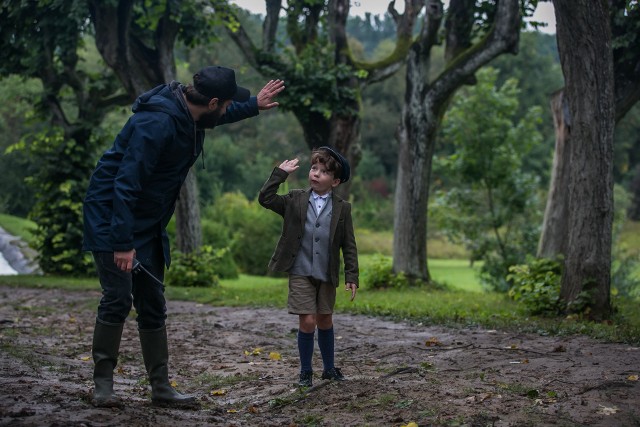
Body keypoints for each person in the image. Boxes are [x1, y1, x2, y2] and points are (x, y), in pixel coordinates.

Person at [82, 66, 285, 408]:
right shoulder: (157, 124)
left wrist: (253, 104)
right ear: (212, 101)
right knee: (118, 298)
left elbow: (217, 116)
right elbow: (125, 183)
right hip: (113, 215)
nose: (224, 111)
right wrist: (121, 242)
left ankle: (160, 387)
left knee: (153, 301)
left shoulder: (189, 112)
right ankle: (103, 385)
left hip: (146, 220)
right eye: (224, 105)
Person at [258, 147, 359, 388]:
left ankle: (329, 369)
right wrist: (279, 175)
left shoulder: (343, 208)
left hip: (326, 273)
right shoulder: (294, 199)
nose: (316, 173)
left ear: (334, 181)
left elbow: (349, 244)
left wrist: (351, 275)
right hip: (300, 270)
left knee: (325, 319)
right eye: (314, 168)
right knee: (308, 321)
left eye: (323, 172)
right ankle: (305, 372)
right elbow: (266, 198)